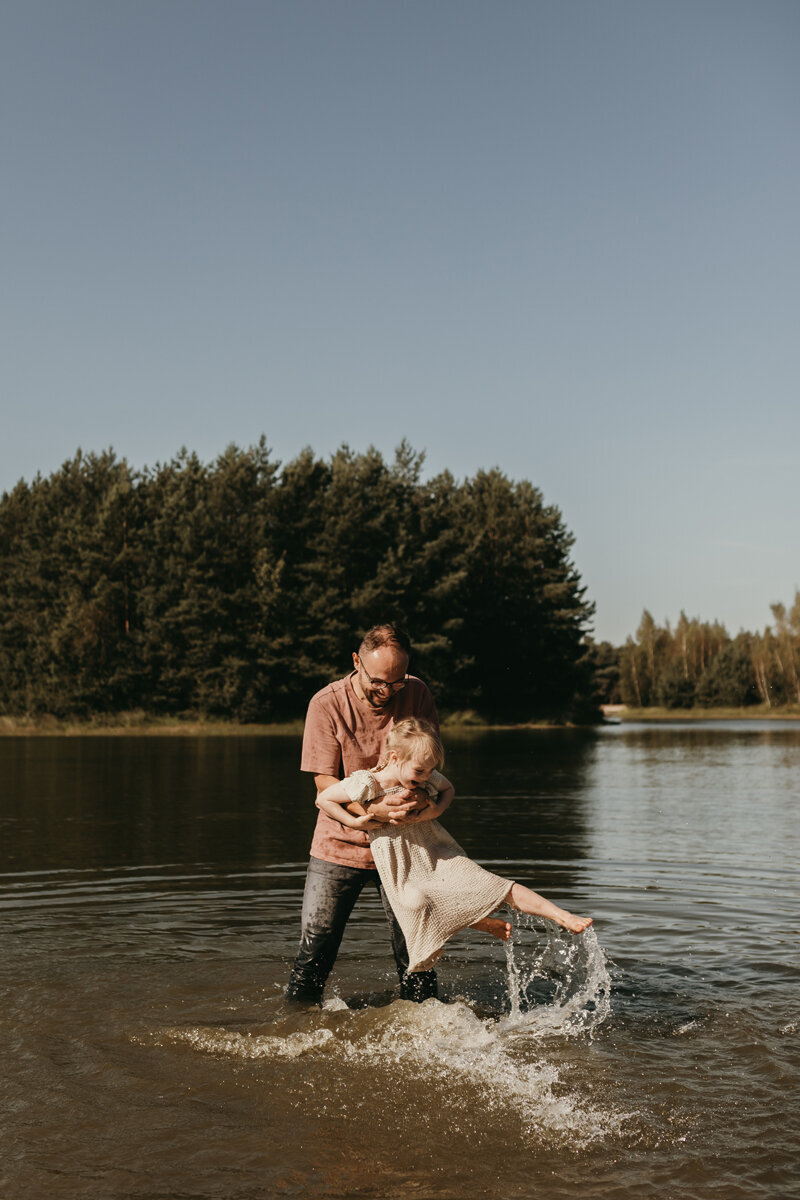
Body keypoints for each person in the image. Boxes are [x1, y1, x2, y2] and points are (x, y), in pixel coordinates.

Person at [315, 717, 593, 975]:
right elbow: (324, 799)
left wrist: (434, 812)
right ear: (395, 757)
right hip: (400, 861)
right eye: (421, 771)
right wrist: (355, 822)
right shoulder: (368, 782)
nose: (426, 777)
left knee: (493, 884)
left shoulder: (426, 774)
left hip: (435, 850)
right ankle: (484, 923)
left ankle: (563, 916)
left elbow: (448, 790)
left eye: (431, 770)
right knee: (416, 903)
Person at [286, 622, 443, 1005]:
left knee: (417, 953)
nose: (387, 692)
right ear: (356, 661)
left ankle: (427, 1027)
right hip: (339, 844)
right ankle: (296, 1025)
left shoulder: (417, 692)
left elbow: (429, 764)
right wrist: (373, 810)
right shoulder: (325, 704)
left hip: (404, 845)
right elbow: (325, 783)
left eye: (396, 683)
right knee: (315, 948)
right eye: (378, 682)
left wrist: (421, 801)